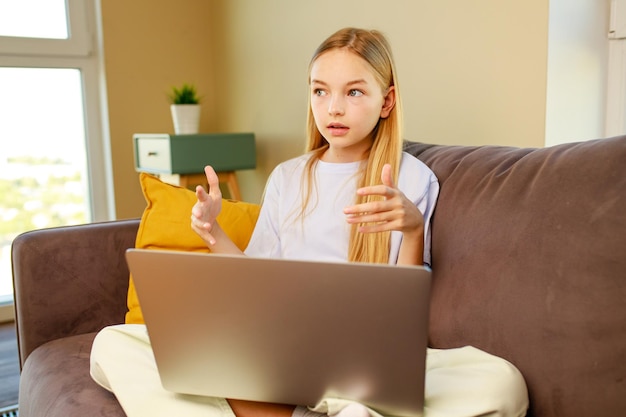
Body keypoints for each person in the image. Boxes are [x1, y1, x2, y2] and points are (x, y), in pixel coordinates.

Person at [90, 27, 528, 417]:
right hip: (276, 353)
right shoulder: (288, 176)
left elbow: (404, 310)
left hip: (363, 362)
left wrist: (412, 229)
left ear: (387, 101)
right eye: (320, 91)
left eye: (353, 92)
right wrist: (212, 232)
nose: (333, 108)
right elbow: (254, 277)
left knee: (500, 381)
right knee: (114, 343)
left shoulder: (411, 178)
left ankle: (315, 407)